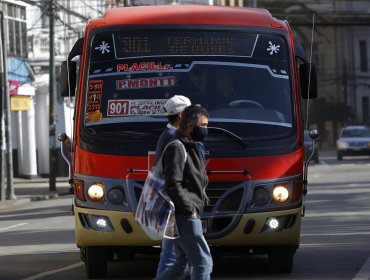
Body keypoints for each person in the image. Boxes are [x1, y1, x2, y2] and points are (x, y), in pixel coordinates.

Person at [156, 105, 212, 280]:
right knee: (203, 263)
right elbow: (173, 184)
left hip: (184, 214)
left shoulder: (189, 145)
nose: (206, 129)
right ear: (189, 126)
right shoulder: (178, 147)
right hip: (185, 215)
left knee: (181, 264)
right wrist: (190, 209)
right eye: (203, 125)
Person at [155, 95, 192, 277]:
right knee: (172, 258)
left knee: (176, 257)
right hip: (174, 204)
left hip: (172, 203)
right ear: (180, 115)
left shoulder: (168, 135)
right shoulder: (172, 137)